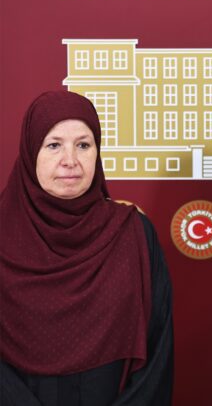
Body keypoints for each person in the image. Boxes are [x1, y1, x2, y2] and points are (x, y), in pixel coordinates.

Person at [0, 91, 174, 405]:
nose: (70, 160)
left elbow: (158, 350)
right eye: (54, 145)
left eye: (83, 145)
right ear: (30, 151)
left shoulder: (134, 233)